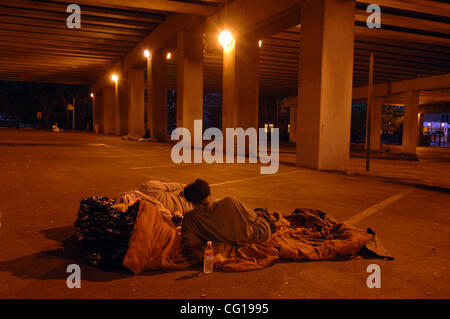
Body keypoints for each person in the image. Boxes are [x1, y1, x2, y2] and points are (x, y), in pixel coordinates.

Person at [181, 179, 273, 256]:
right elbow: (253, 218)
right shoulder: (230, 202)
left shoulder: (190, 219)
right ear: (209, 194)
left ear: (192, 202)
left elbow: (192, 243)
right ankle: (272, 222)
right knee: (260, 212)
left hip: (229, 241)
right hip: (258, 235)